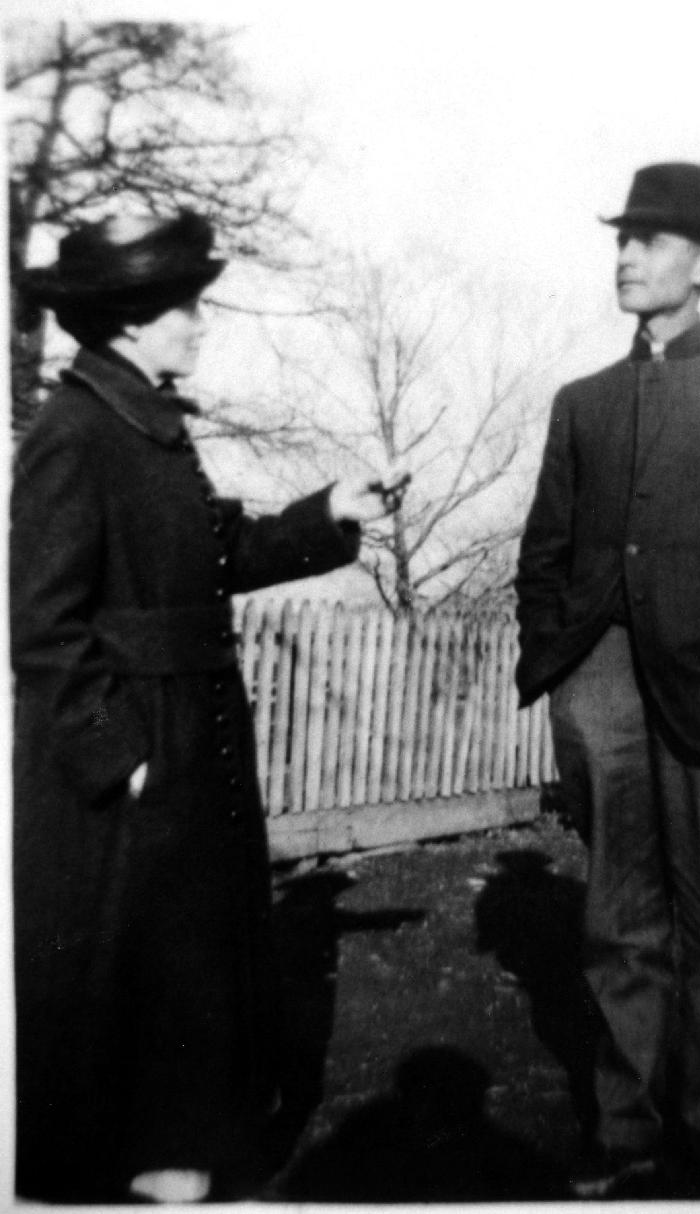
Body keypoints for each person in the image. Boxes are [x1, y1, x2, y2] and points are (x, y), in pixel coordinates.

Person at [11, 209, 406, 1204]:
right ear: (135, 319)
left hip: (189, 735)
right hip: (134, 764)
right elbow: (42, 626)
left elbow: (217, 552)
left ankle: (176, 1159)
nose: (200, 321)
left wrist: (330, 511)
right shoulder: (74, 433)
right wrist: (123, 756)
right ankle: (151, 1167)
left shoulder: (144, 424)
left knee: (188, 971)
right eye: (187, 305)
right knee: (143, 979)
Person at [514, 162, 700, 1199]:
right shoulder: (581, 403)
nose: (626, 256)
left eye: (652, 240)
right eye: (621, 239)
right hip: (601, 684)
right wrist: (558, 663)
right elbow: (542, 554)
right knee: (616, 917)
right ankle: (623, 1128)